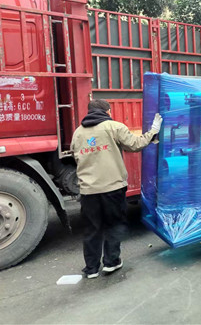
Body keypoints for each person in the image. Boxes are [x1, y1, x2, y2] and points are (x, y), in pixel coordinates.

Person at [70, 99, 163, 278]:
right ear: (107, 111)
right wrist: (153, 130)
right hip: (112, 188)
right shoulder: (114, 127)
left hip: (88, 190)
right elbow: (135, 145)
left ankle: (91, 268)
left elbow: (76, 157)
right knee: (113, 225)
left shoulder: (78, 132)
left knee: (91, 229)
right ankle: (111, 262)